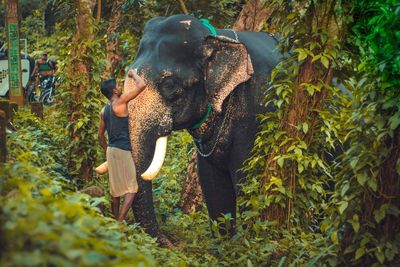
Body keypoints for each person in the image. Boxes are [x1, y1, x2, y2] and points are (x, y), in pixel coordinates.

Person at [98, 69, 146, 222]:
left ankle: (114, 220)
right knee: (132, 188)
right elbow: (142, 85)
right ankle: (120, 221)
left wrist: (108, 151)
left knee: (115, 190)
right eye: (118, 86)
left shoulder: (103, 110)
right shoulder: (122, 101)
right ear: (114, 90)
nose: (120, 87)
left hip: (111, 150)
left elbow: (100, 136)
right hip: (123, 149)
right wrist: (133, 75)